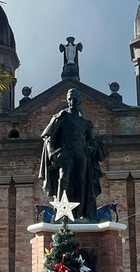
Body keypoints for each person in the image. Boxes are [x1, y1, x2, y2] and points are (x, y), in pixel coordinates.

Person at [38, 89, 106, 221]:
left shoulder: (86, 123)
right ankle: (61, 213)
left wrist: (92, 148)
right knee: (63, 179)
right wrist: (52, 153)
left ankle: (80, 213)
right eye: (69, 99)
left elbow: (91, 140)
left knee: (82, 181)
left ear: (79, 101)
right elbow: (49, 136)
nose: (71, 102)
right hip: (66, 153)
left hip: (82, 155)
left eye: (74, 99)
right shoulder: (62, 116)